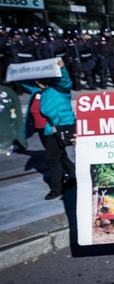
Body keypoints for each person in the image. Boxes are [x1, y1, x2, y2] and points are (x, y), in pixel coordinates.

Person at [21, 59, 76, 199]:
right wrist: (21, 70)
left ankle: (57, 189)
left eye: (39, 80)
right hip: (43, 129)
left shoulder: (59, 89)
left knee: (52, 158)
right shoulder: (38, 91)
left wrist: (62, 69)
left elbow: (65, 81)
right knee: (60, 155)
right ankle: (75, 176)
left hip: (57, 128)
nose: (37, 83)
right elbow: (23, 83)